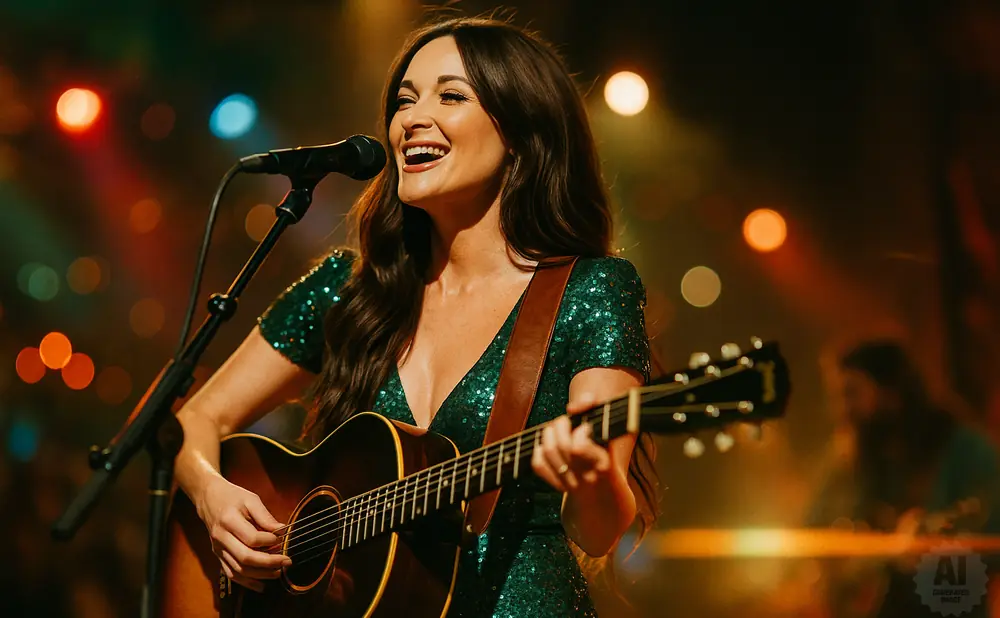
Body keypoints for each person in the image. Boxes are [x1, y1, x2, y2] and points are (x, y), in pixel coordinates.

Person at [173, 16, 658, 618]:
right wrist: (213, 497)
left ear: (522, 133)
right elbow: (196, 417)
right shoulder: (349, 289)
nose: (411, 118)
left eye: (451, 95)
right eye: (405, 99)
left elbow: (600, 530)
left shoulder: (590, 289)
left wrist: (590, 479)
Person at [807, 340, 1000, 618]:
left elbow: (992, 534)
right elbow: (815, 527)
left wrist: (936, 547)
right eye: (837, 396)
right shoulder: (848, 457)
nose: (842, 409)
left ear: (890, 393)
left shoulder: (966, 451)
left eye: (851, 393)